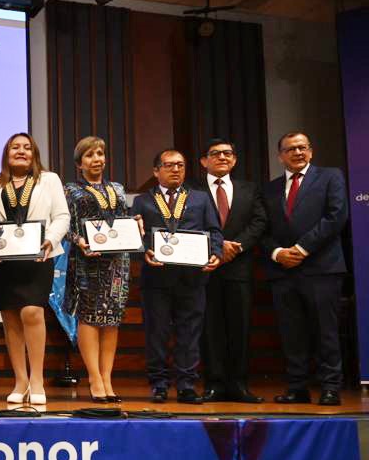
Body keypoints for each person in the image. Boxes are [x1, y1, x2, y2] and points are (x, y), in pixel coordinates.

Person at [263, 132, 349, 406]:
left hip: (321, 268)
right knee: (292, 334)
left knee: (326, 332)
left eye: (302, 147)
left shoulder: (330, 177)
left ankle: (330, 387)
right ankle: (297, 388)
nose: (298, 152)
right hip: (283, 271)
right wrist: (278, 253)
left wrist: (301, 249)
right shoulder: (270, 189)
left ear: (311, 151)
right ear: (280, 156)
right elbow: (263, 229)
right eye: (291, 149)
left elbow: (336, 217)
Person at [131, 149, 223, 404]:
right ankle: (159, 384)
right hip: (156, 278)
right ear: (155, 171)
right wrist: (144, 251)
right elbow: (136, 235)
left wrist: (215, 253)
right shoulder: (142, 201)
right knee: (157, 334)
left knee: (189, 334)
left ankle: (186, 385)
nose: (175, 170)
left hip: (192, 278)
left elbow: (215, 231)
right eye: (169, 165)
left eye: (180, 165)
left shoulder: (200, 198)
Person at [0, 132, 69, 405]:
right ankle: (20, 380)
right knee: (11, 318)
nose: (21, 151)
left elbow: (62, 216)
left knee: (32, 312)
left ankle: (37, 379)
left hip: (38, 257)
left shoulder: (49, 180)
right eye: (15, 147)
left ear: (34, 154)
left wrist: (51, 239)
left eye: (27, 147)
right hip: (4, 260)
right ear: (7, 154)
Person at [196, 139, 267, 404]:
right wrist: (217, 246)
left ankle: (239, 384)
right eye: (215, 153)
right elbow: (188, 223)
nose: (222, 157)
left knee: (240, 327)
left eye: (228, 153)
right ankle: (214, 384)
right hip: (205, 267)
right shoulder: (192, 190)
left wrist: (236, 246)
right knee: (210, 328)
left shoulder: (250, 189)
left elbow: (259, 221)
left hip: (239, 266)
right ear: (204, 161)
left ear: (235, 160)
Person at [63, 136, 133, 403]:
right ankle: (94, 377)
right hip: (86, 260)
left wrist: (135, 224)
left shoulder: (117, 188)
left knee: (112, 319)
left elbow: (122, 221)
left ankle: (107, 378)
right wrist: (78, 240)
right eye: (90, 155)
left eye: (100, 153)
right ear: (79, 163)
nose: (97, 159)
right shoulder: (71, 190)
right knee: (89, 317)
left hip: (117, 262)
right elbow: (64, 226)